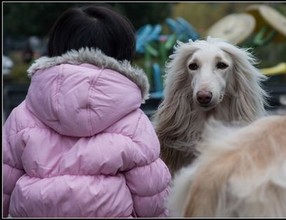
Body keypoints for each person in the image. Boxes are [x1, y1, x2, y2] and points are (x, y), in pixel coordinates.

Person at [3, 5, 171, 217]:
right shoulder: (134, 121)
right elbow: (151, 198)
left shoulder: (22, 115)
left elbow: (5, 187)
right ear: (122, 52)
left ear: (56, 46)